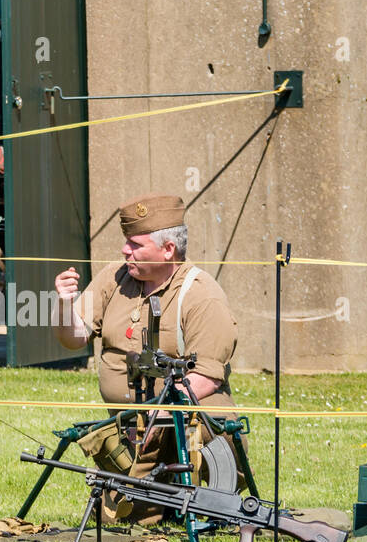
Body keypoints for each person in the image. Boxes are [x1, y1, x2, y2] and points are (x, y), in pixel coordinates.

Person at [52, 194, 240, 503]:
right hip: (130, 432)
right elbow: (73, 337)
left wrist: (160, 411)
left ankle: (200, 497)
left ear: (168, 250)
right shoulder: (115, 277)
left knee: (170, 509)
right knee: (132, 513)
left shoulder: (202, 296)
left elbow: (208, 376)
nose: (126, 250)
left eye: (136, 245)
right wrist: (63, 304)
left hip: (188, 433)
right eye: (127, 242)